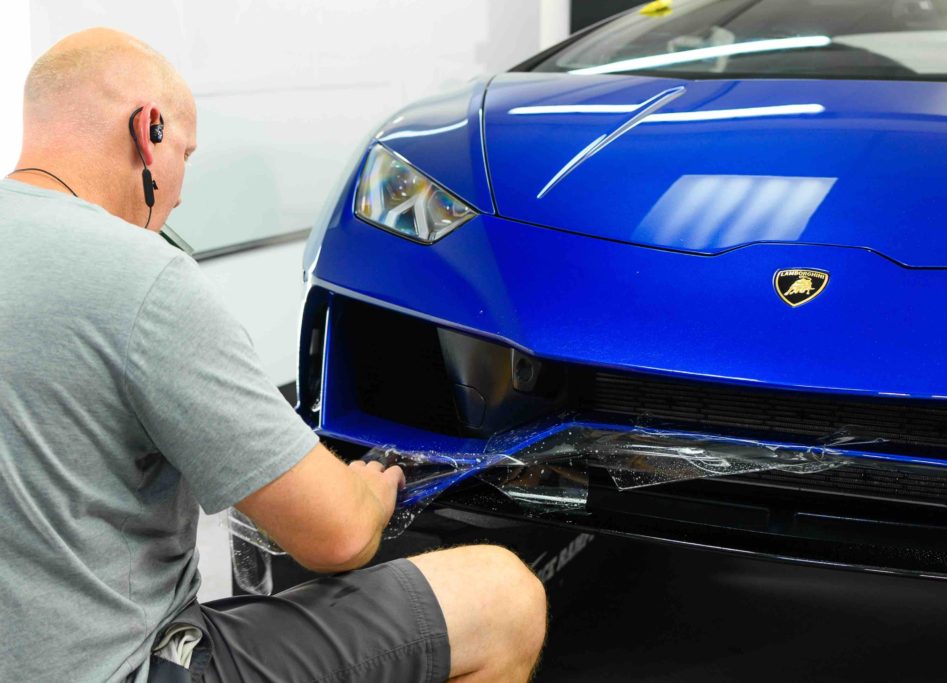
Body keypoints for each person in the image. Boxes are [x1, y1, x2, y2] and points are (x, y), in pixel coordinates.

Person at [0, 27, 546, 682]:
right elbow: (335, 537)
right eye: (185, 154)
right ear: (148, 130)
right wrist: (368, 490)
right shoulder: (140, 276)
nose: (178, 192)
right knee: (503, 596)